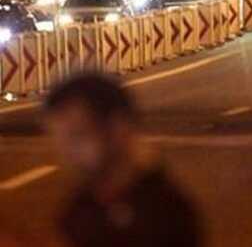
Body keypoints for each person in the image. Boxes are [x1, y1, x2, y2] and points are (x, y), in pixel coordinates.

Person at [43, 75, 202, 247]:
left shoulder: (164, 214)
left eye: (78, 136)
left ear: (118, 127)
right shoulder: (77, 210)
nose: (67, 153)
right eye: (61, 142)